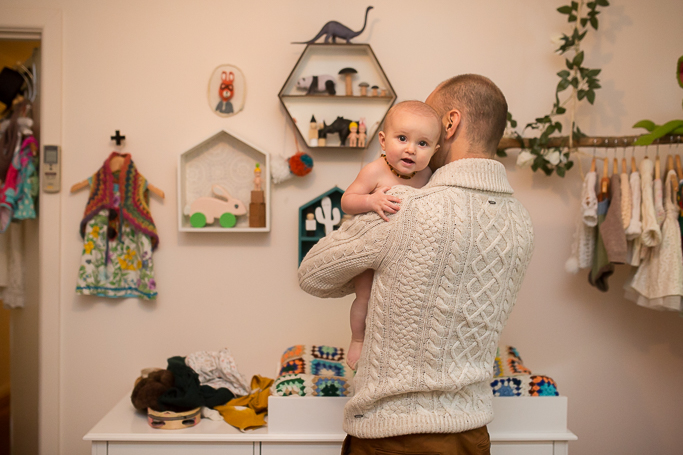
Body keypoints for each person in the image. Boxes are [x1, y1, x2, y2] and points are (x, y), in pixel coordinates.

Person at [298, 74, 535, 455]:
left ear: (450, 125)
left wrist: (367, 238)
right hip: (472, 436)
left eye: (428, 129)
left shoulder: (405, 207)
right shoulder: (521, 221)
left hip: (393, 437)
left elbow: (313, 275)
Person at [340, 100, 442, 370]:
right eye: (402, 138)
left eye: (423, 144)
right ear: (383, 141)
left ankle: (395, 351)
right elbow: (347, 201)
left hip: (403, 256)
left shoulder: (428, 176)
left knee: (401, 304)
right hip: (371, 250)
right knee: (364, 297)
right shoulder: (375, 170)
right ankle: (358, 339)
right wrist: (371, 201)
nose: (411, 149)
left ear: (435, 151)